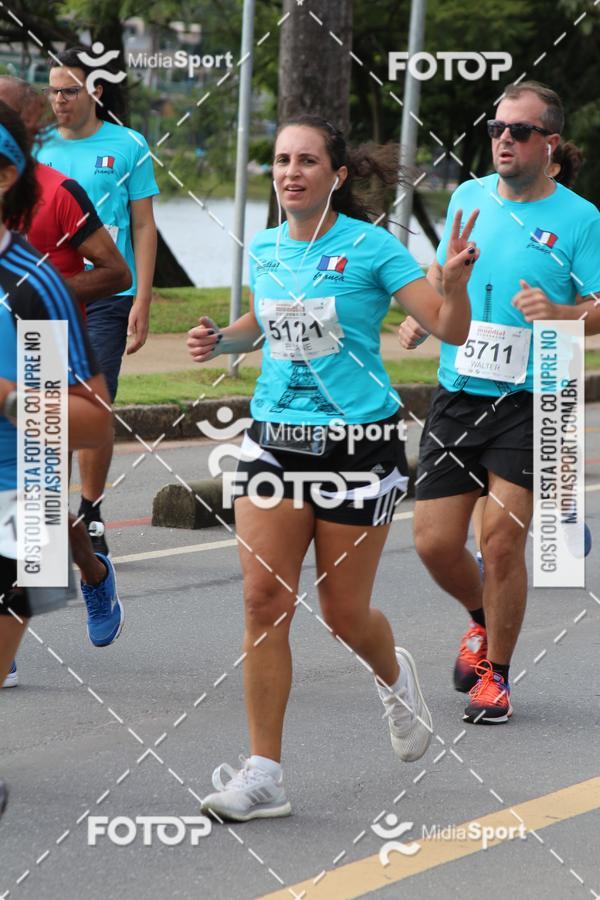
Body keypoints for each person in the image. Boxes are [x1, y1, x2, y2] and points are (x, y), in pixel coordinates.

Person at [187, 115, 477, 821]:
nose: (290, 172)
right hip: (275, 440)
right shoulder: (265, 247)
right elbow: (265, 320)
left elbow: (449, 327)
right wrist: (222, 338)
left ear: (336, 175)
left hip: (358, 445)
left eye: (306, 161)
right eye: (282, 160)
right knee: (263, 604)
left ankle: (391, 674)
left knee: (343, 614)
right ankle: (264, 775)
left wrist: (460, 282)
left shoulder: (374, 247)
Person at [398, 82, 600, 724]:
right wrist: (428, 309)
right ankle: (482, 617)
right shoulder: (468, 196)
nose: (503, 140)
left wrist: (566, 314)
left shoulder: (581, 218)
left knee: (504, 540)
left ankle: (497, 676)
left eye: (518, 131)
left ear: (550, 144)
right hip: (460, 389)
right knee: (433, 543)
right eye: (495, 128)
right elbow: (444, 271)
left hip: (539, 391)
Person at [0, 99, 113, 816]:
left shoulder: (30, 288)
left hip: (22, 490)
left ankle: (90, 565)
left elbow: (91, 424)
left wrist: (7, 394)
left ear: (6, 176)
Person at [36, 47, 159, 556]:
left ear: (95, 92)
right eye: (52, 91)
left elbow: (144, 225)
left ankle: (89, 511)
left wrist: (144, 297)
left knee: (92, 403)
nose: (59, 100)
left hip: (110, 293)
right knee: (49, 409)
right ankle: (49, 515)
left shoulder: (129, 144)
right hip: (46, 295)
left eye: (68, 90)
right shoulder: (36, 147)